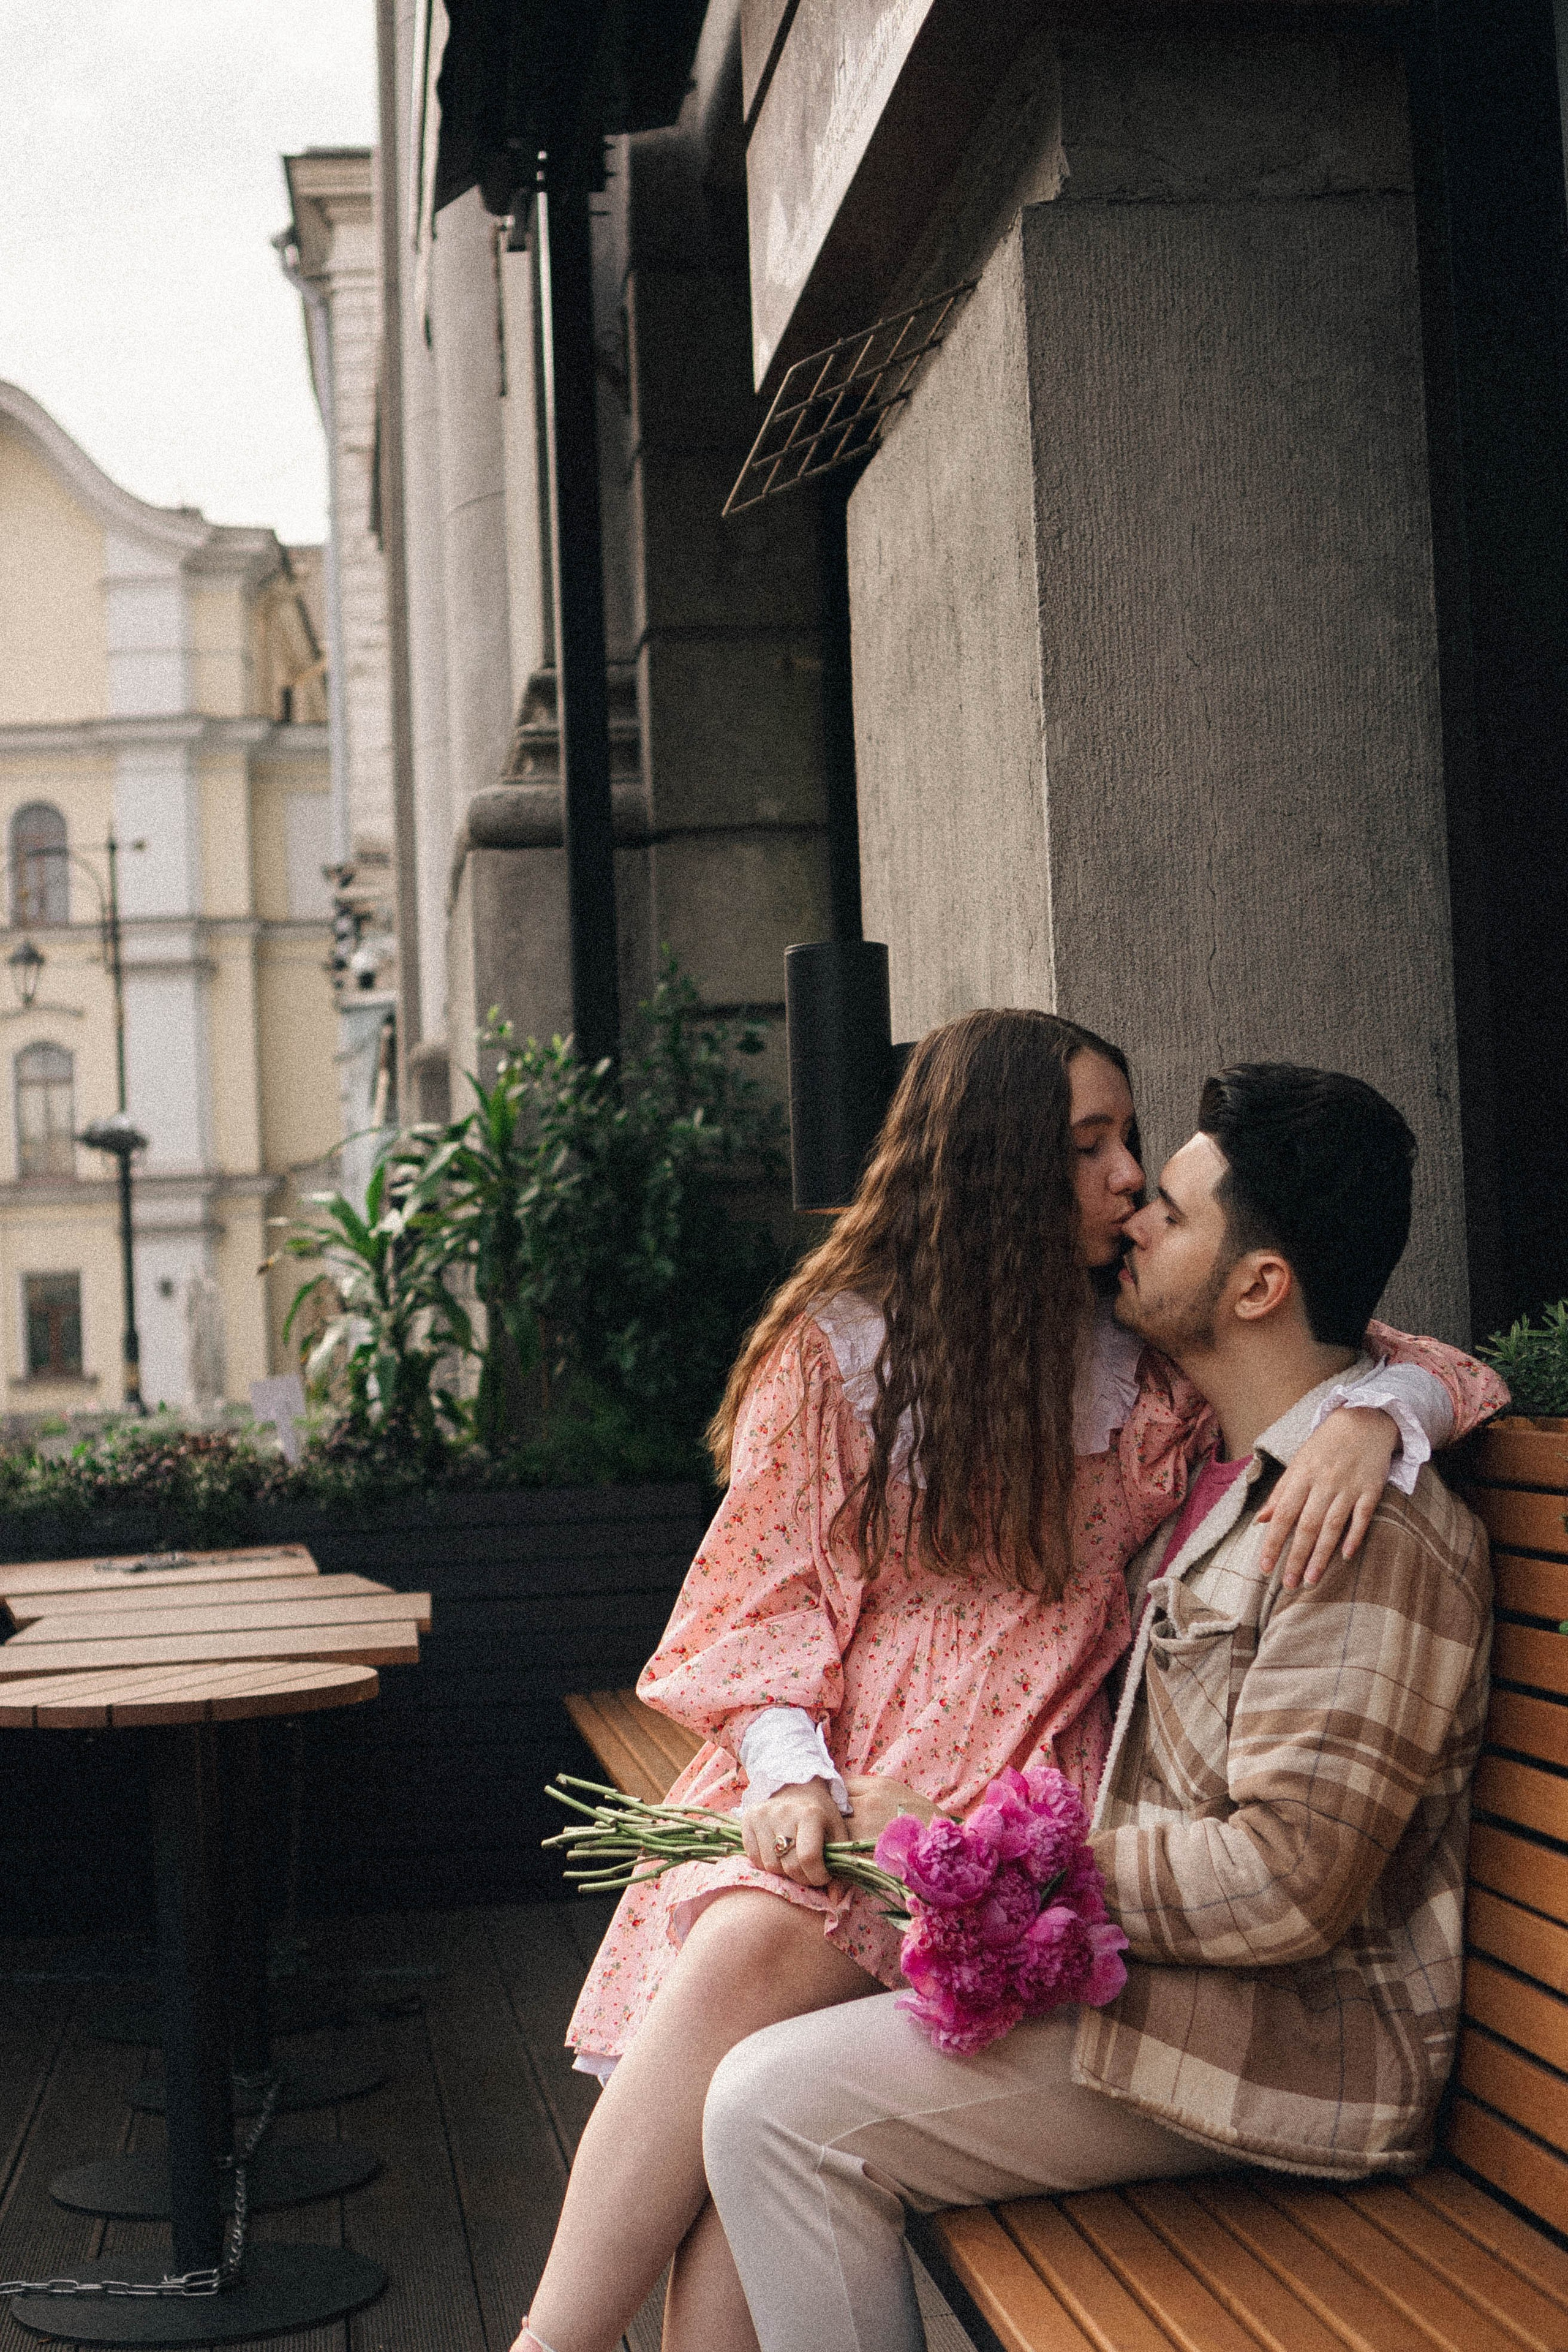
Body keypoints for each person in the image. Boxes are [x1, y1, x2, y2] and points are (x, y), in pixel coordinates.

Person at [514, 1022, 1502, 2352]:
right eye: (1090, 1149)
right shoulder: (853, 1353)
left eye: (1135, 1153)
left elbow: (1384, 1350)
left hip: (1025, 1817)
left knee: (763, 2098)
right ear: (994, 1172)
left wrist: (1382, 1415)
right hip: (868, 1786)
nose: (1129, 1187)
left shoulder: (1158, 1378)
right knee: (750, 1994)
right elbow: (764, 1596)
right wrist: (797, 1774)